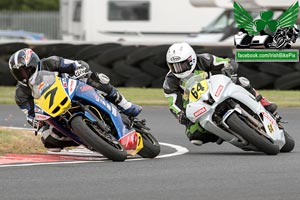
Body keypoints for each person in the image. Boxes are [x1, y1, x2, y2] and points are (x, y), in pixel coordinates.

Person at [8, 48, 142, 152]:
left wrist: (79, 70)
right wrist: (35, 121)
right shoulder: (21, 93)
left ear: (33, 63)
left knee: (94, 78)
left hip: (72, 88)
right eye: (18, 73)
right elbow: (29, 113)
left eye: (25, 70)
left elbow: (75, 65)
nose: (23, 75)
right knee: (49, 141)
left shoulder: (50, 62)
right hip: (53, 109)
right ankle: (86, 139)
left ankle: (124, 104)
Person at [163, 42, 277, 146]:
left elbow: (225, 62)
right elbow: (173, 103)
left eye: (182, 65)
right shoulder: (170, 81)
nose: (179, 69)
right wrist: (181, 114)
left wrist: (229, 67)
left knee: (239, 80)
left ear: (191, 59)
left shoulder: (204, 59)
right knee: (195, 136)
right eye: (174, 66)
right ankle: (220, 132)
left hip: (216, 88)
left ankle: (264, 102)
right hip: (199, 104)